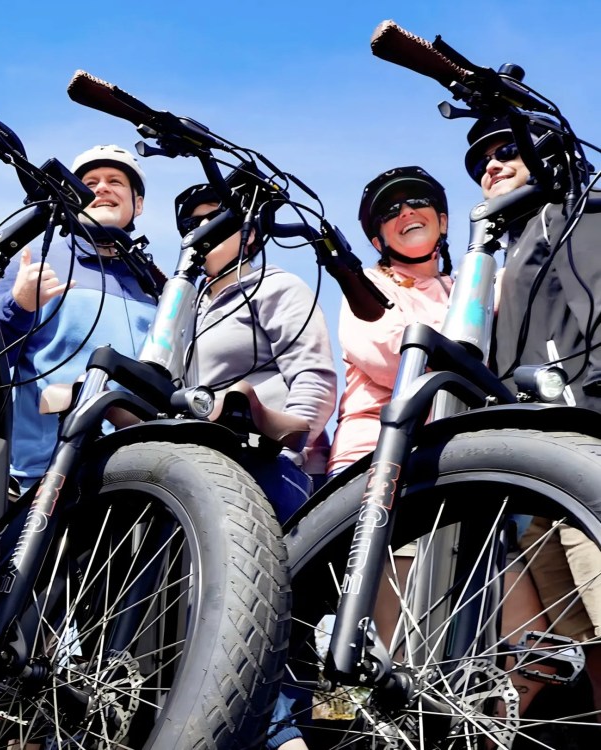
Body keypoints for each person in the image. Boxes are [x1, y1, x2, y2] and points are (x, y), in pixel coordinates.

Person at [466, 114, 601, 719]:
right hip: (539, 471)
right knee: (584, 641)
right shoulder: (513, 243)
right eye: (480, 163)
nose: (490, 166)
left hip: (584, 442)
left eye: (504, 152)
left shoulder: (579, 211)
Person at [0, 145, 159, 490]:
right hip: (50, 472)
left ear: (138, 204)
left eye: (115, 181)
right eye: (90, 182)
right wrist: (19, 304)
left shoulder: (155, 286)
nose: (102, 188)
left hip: (147, 473)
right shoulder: (37, 258)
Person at [177, 181, 337, 522]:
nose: (202, 230)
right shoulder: (184, 309)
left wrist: (289, 454)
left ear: (248, 233)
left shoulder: (277, 287)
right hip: (204, 467)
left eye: (215, 219)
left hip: (270, 466)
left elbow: (314, 379)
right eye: (193, 225)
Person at [328, 166, 453, 474]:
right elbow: (392, 361)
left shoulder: (474, 289)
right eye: (390, 211)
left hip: (458, 453)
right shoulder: (367, 286)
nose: (407, 211)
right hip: (372, 453)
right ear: (377, 242)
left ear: (443, 221)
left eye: (418, 200)